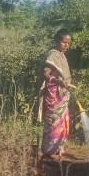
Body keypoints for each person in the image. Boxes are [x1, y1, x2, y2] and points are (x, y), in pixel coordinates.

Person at [37, 28, 75, 161]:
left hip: (62, 93)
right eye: (64, 42)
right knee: (53, 122)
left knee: (62, 121)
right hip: (54, 95)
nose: (66, 45)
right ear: (57, 41)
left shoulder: (62, 55)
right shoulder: (52, 55)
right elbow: (45, 74)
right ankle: (49, 150)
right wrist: (58, 81)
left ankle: (58, 147)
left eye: (68, 43)